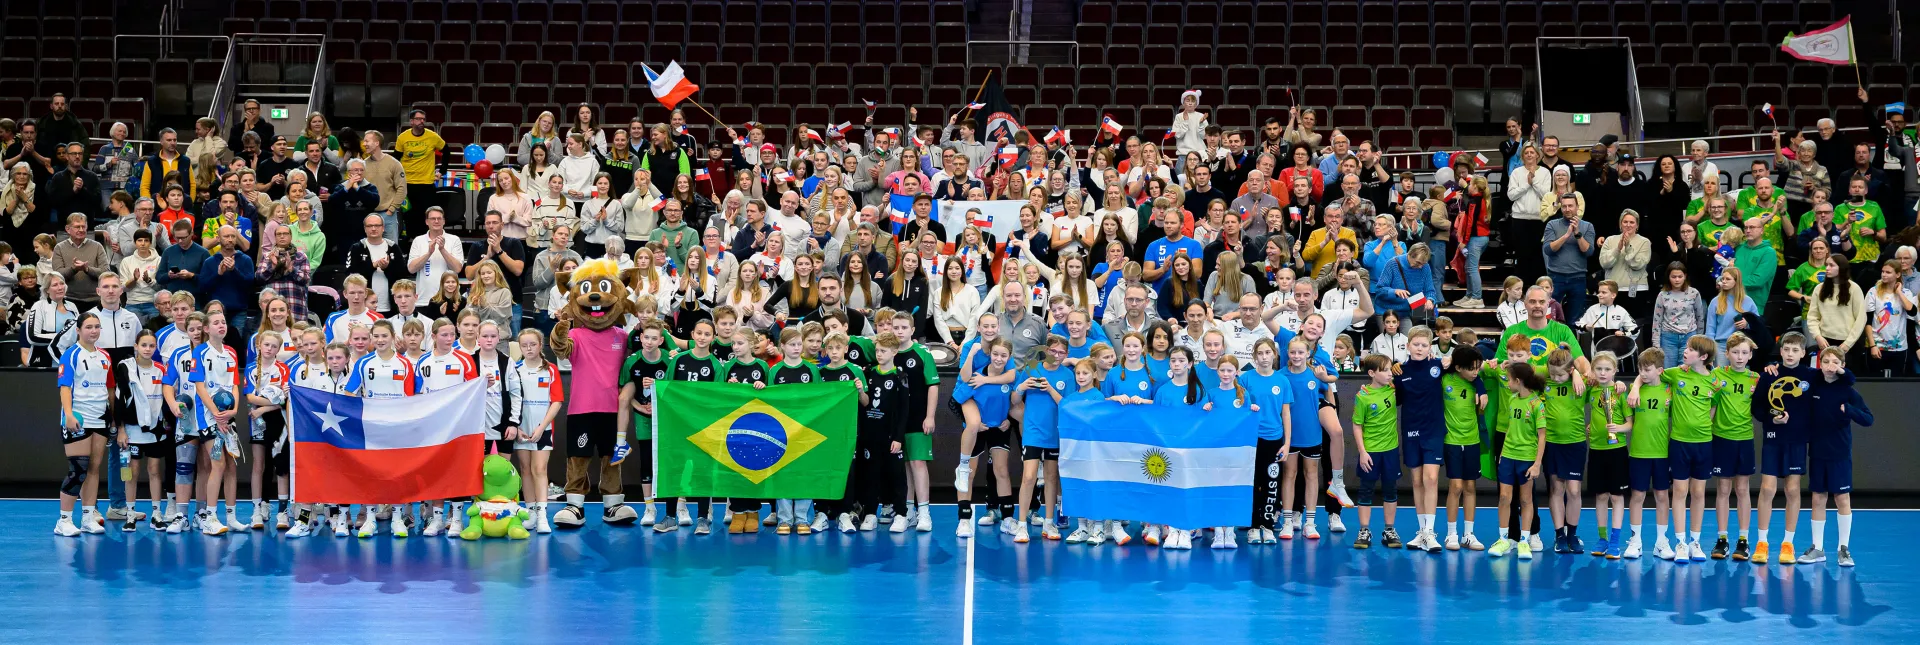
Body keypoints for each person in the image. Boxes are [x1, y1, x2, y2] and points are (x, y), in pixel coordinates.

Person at [1647, 335, 1717, 562]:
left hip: (1704, 444)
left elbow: (1712, 408)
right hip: (1679, 443)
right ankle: (1680, 543)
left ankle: (1695, 542)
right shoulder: (1676, 374)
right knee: (1679, 492)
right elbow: (1648, 373)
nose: (1685, 352)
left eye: (1690, 350)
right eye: (1685, 348)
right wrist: (1635, 387)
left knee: (1698, 493)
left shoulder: (1715, 382)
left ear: (1703, 357)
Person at [1803, 346, 1871, 567]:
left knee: (1842, 499)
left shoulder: (1848, 391)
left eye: (1835, 362)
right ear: (1819, 364)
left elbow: (1868, 419)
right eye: (1826, 361)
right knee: (1818, 499)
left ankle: (1843, 549)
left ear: (1842, 366)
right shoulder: (1813, 384)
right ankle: (1818, 548)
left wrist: (1848, 410)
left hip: (1840, 453)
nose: (1830, 366)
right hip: (1817, 452)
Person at [1488, 362, 1547, 560]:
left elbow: (1542, 436)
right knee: (1504, 497)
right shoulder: (1512, 400)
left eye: (1509, 379)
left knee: (1525, 499)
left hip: (1527, 459)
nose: (1507, 382)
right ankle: (1504, 538)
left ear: (1518, 381)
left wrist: (1537, 463)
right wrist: (1502, 454)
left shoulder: (1537, 404)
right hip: (1508, 456)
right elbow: (1510, 431)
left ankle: (1524, 540)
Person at [1348, 353, 1402, 550]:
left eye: (1390, 369)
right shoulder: (1362, 396)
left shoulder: (1393, 388)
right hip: (1371, 451)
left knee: (1390, 489)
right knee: (1366, 490)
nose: (1390, 374)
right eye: (1385, 370)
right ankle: (1364, 530)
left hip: (1390, 450)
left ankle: (1389, 530)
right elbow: (1357, 426)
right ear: (1371, 373)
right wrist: (1362, 452)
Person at [1439, 347, 1487, 550]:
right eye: (1471, 369)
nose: (1476, 372)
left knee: (1470, 487)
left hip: (1473, 440)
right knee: (1456, 487)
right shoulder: (1445, 380)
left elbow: (1487, 363)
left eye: (1477, 368)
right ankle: (1451, 534)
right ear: (1458, 367)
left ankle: (1468, 534)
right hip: (1452, 441)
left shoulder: (1477, 384)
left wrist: (1481, 389)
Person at [1805, 254, 1867, 368]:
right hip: (1825, 341)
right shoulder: (1819, 288)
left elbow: (1861, 319)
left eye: (1831, 265)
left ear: (1841, 267)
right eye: (1826, 265)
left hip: (1849, 343)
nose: (1827, 268)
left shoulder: (1854, 288)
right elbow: (1812, 316)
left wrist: (1847, 344)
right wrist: (1817, 336)